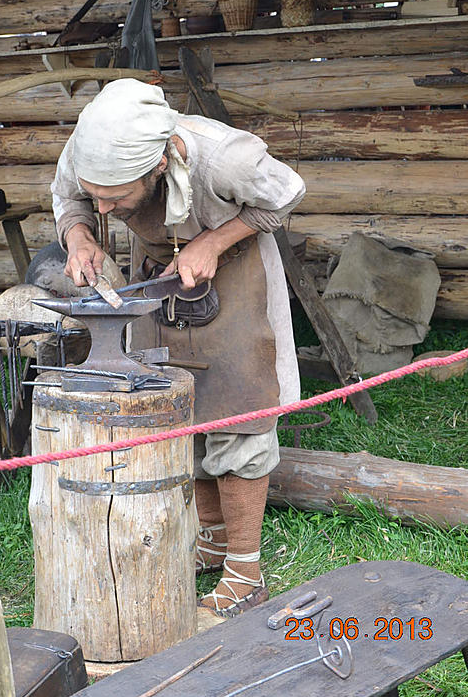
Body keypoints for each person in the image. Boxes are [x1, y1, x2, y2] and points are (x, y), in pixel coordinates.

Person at [51, 78, 305, 617]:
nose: (105, 205)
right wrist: (79, 234)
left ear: (159, 166)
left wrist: (212, 241)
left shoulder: (225, 160)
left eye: (115, 198)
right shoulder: (93, 147)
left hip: (238, 280)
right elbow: (69, 194)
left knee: (239, 419)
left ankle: (245, 572)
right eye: (99, 195)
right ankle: (210, 540)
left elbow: (286, 194)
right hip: (158, 279)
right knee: (178, 414)